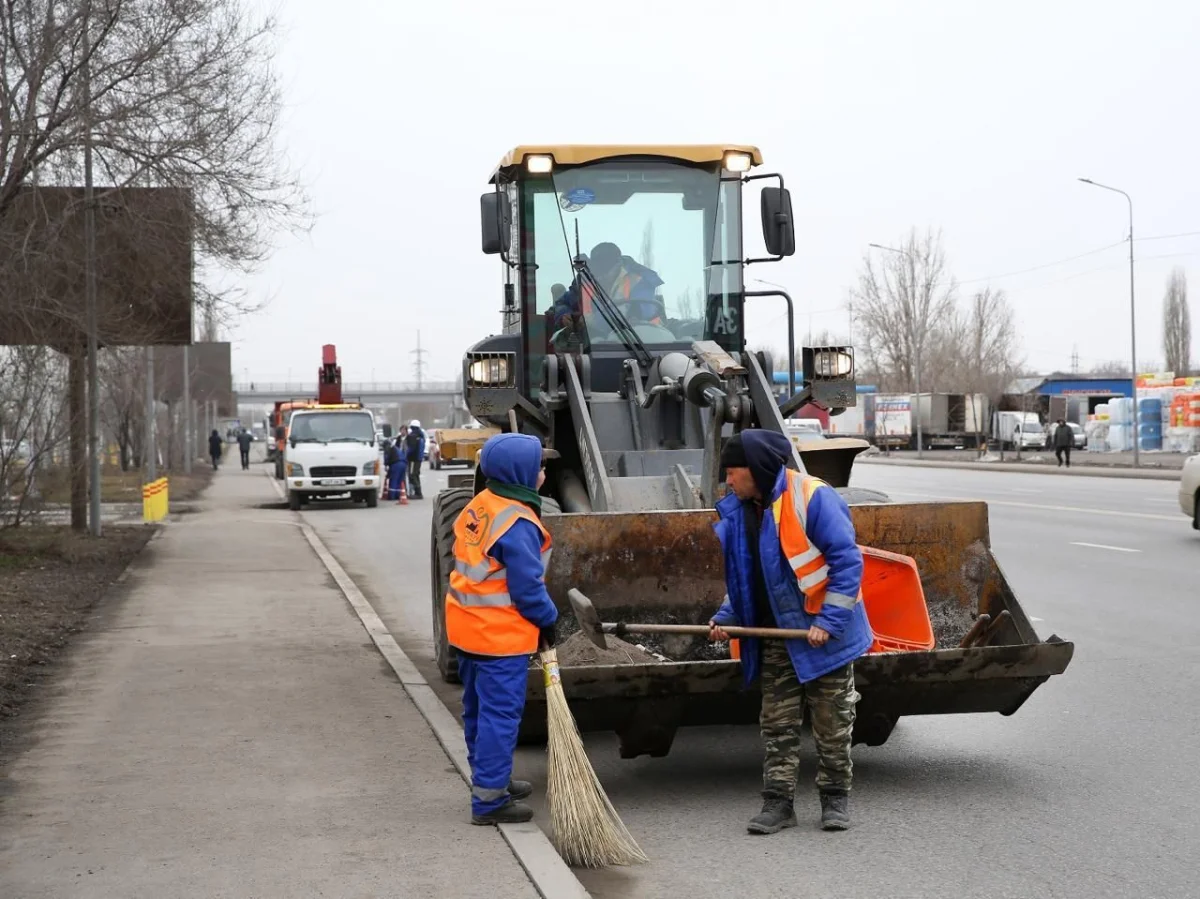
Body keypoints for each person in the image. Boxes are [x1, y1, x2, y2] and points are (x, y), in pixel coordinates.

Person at [707, 429, 872, 835]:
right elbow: (749, 577)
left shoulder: (813, 497)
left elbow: (847, 562)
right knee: (777, 724)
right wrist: (728, 617)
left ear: (757, 470)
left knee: (832, 722)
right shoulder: (744, 509)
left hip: (824, 635)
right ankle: (778, 804)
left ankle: (835, 799)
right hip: (779, 635)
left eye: (733, 472)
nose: (728, 481)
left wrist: (828, 623)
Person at [445, 432, 558, 825]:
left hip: (467, 632)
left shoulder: (481, 505)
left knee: (477, 712)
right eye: (539, 467)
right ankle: (490, 801)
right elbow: (527, 588)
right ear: (520, 472)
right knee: (499, 717)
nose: (543, 473)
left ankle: (490, 780)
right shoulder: (519, 522)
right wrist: (549, 618)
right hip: (498, 639)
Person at [551, 241, 664, 331]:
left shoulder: (639, 280)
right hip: (600, 345)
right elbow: (561, 303)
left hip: (647, 340)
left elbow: (639, 312)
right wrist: (564, 314)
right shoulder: (586, 283)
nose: (602, 275)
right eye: (598, 268)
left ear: (618, 264)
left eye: (606, 267)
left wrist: (588, 322)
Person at [404, 419, 426, 499]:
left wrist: (405, 456)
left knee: (412, 475)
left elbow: (411, 449)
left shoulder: (412, 436)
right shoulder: (421, 435)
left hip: (413, 459)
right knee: (416, 474)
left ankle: (418, 492)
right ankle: (417, 492)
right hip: (419, 459)